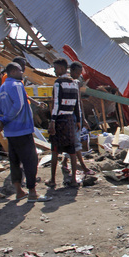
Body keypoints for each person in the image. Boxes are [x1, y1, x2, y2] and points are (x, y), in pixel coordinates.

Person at [0, 63, 50, 202]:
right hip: (22, 129)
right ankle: (32, 192)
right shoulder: (16, 85)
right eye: (21, 71)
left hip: (10, 132)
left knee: (14, 161)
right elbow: (19, 105)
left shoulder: (2, 88)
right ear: (13, 71)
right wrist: (6, 119)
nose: (22, 74)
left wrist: (1, 121)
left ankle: (19, 191)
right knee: (30, 161)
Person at [46, 59, 81, 189]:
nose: (55, 71)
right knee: (72, 151)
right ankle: (73, 180)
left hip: (60, 119)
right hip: (70, 119)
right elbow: (77, 104)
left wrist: (52, 121)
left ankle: (53, 180)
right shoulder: (74, 83)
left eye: (55, 68)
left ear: (61, 68)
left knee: (55, 151)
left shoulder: (58, 83)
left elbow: (56, 103)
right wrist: (78, 120)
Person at [61, 62, 95, 177]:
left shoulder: (76, 83)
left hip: (77, 115)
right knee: (75, 142)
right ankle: (82, 167)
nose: (79, 74)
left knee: (74, 140)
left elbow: (79, 101)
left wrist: (83, 118)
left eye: (80, 73)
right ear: (71, 70)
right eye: (77, 72)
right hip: (70, 116)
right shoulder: (65, 83)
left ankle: (65, 162)